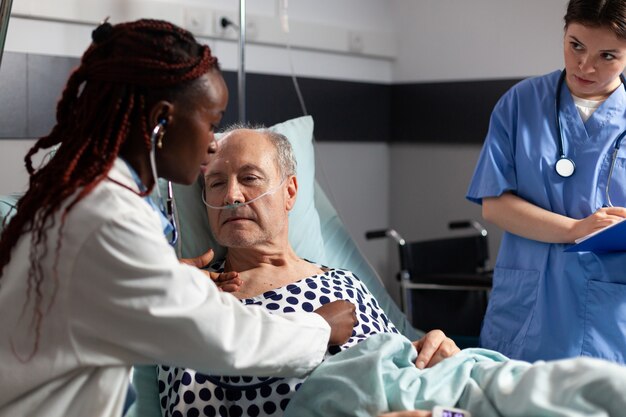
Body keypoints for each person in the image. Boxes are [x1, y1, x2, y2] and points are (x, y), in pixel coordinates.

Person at [0, 19, 358, 417]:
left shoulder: (89, 199)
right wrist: (318, 328)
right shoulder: (105, 216)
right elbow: (218, 336)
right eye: (210, 123)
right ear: (161, 121)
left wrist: (166, 276)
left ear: (291, 192)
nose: (212, 144)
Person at [158, 126, 460, 417]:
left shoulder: (346, 282)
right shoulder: (199, 299)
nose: (232, 196)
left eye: (249, 177)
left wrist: (434, 353)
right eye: (216, 183)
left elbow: (396, 366)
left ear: (290, 192)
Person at [467, 0, 626, 363]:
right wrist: (576, 228)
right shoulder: (520, 103)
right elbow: (494, 203)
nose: (585, 65)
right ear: (564, 33)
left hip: (609, 313)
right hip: (529, 306)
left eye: (607, 56)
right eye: (576, 46)